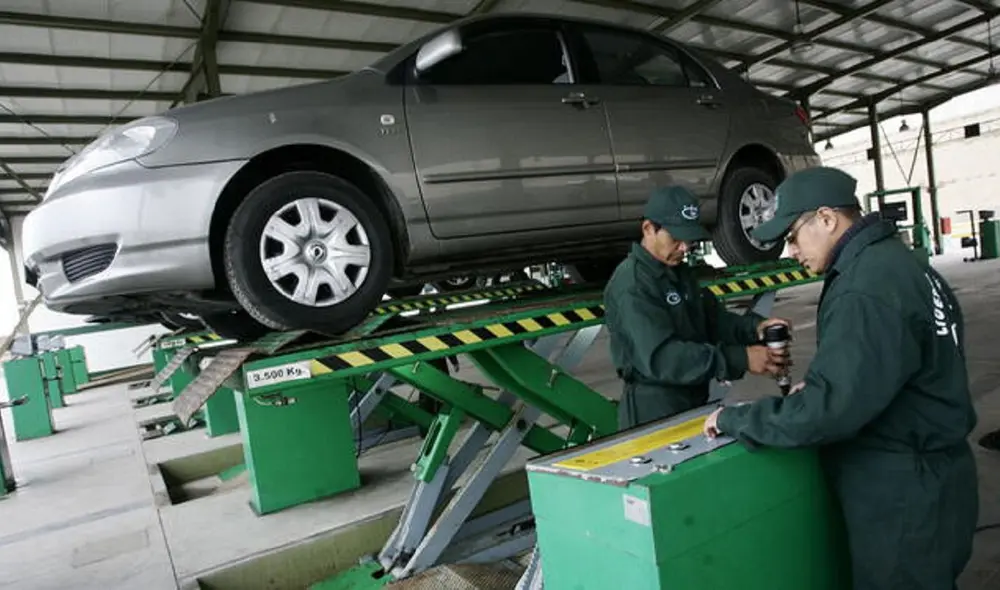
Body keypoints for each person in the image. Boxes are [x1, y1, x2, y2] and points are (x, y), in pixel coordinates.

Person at [703, 166, 978, 590]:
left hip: (902, 491)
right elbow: (887, 366)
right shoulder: (902, 265)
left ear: (828, 219)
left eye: (792, 236)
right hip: (938, 476)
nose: (791, 251)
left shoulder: (864, 289)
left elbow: (828, 414)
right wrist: (826, 384)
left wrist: (738, 418)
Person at [604, 185, 791, 430]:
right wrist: (740, 358)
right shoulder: (633, 284)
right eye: (675, 238)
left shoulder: (680, 272)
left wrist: (756, 328)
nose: (684, 248)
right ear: (649, 229)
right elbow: (664, 359)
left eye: (688, 240)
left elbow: (713, 320)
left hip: (691, 400)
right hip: (654, 411)